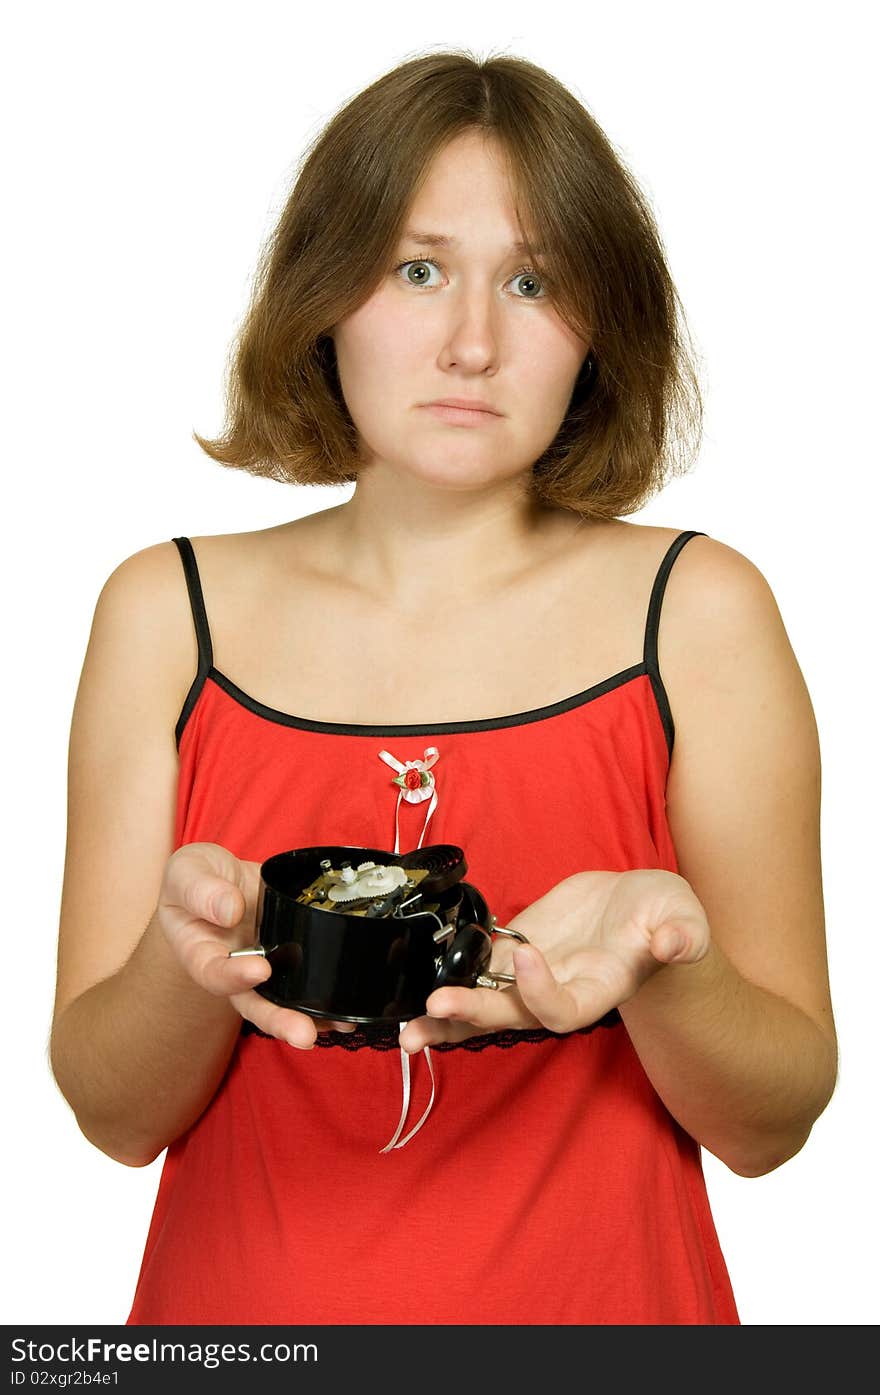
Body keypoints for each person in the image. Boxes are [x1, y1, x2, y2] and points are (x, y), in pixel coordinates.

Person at [49, 50, 838, 1326]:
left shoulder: (700, 612)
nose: (472, 342)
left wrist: (668, 956)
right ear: (323, 296)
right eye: (418, 270)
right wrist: (178, 961)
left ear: (600, 328)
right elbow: (110, 1116)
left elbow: (773, 1125)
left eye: (533, 282)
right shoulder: (163, 612)